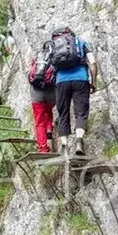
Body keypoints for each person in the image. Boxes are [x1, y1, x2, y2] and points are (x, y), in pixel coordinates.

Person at [49, 26, 96, 156]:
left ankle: (64, 146)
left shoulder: (55, 45)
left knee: (63, 113)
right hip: (80, 79)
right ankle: (79, 141)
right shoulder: (80, 42)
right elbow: (92, 62)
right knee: (81, 112)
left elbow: (50, 66)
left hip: (61, 81)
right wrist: (93, 81)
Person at [28, 41, 56, 153]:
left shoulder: (38, 58)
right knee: (48, 110)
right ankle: (49, 128)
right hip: (51, 94)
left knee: (39, 122)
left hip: (37, 95)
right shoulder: (55, 59)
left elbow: (31, 74)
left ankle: (43, 147)